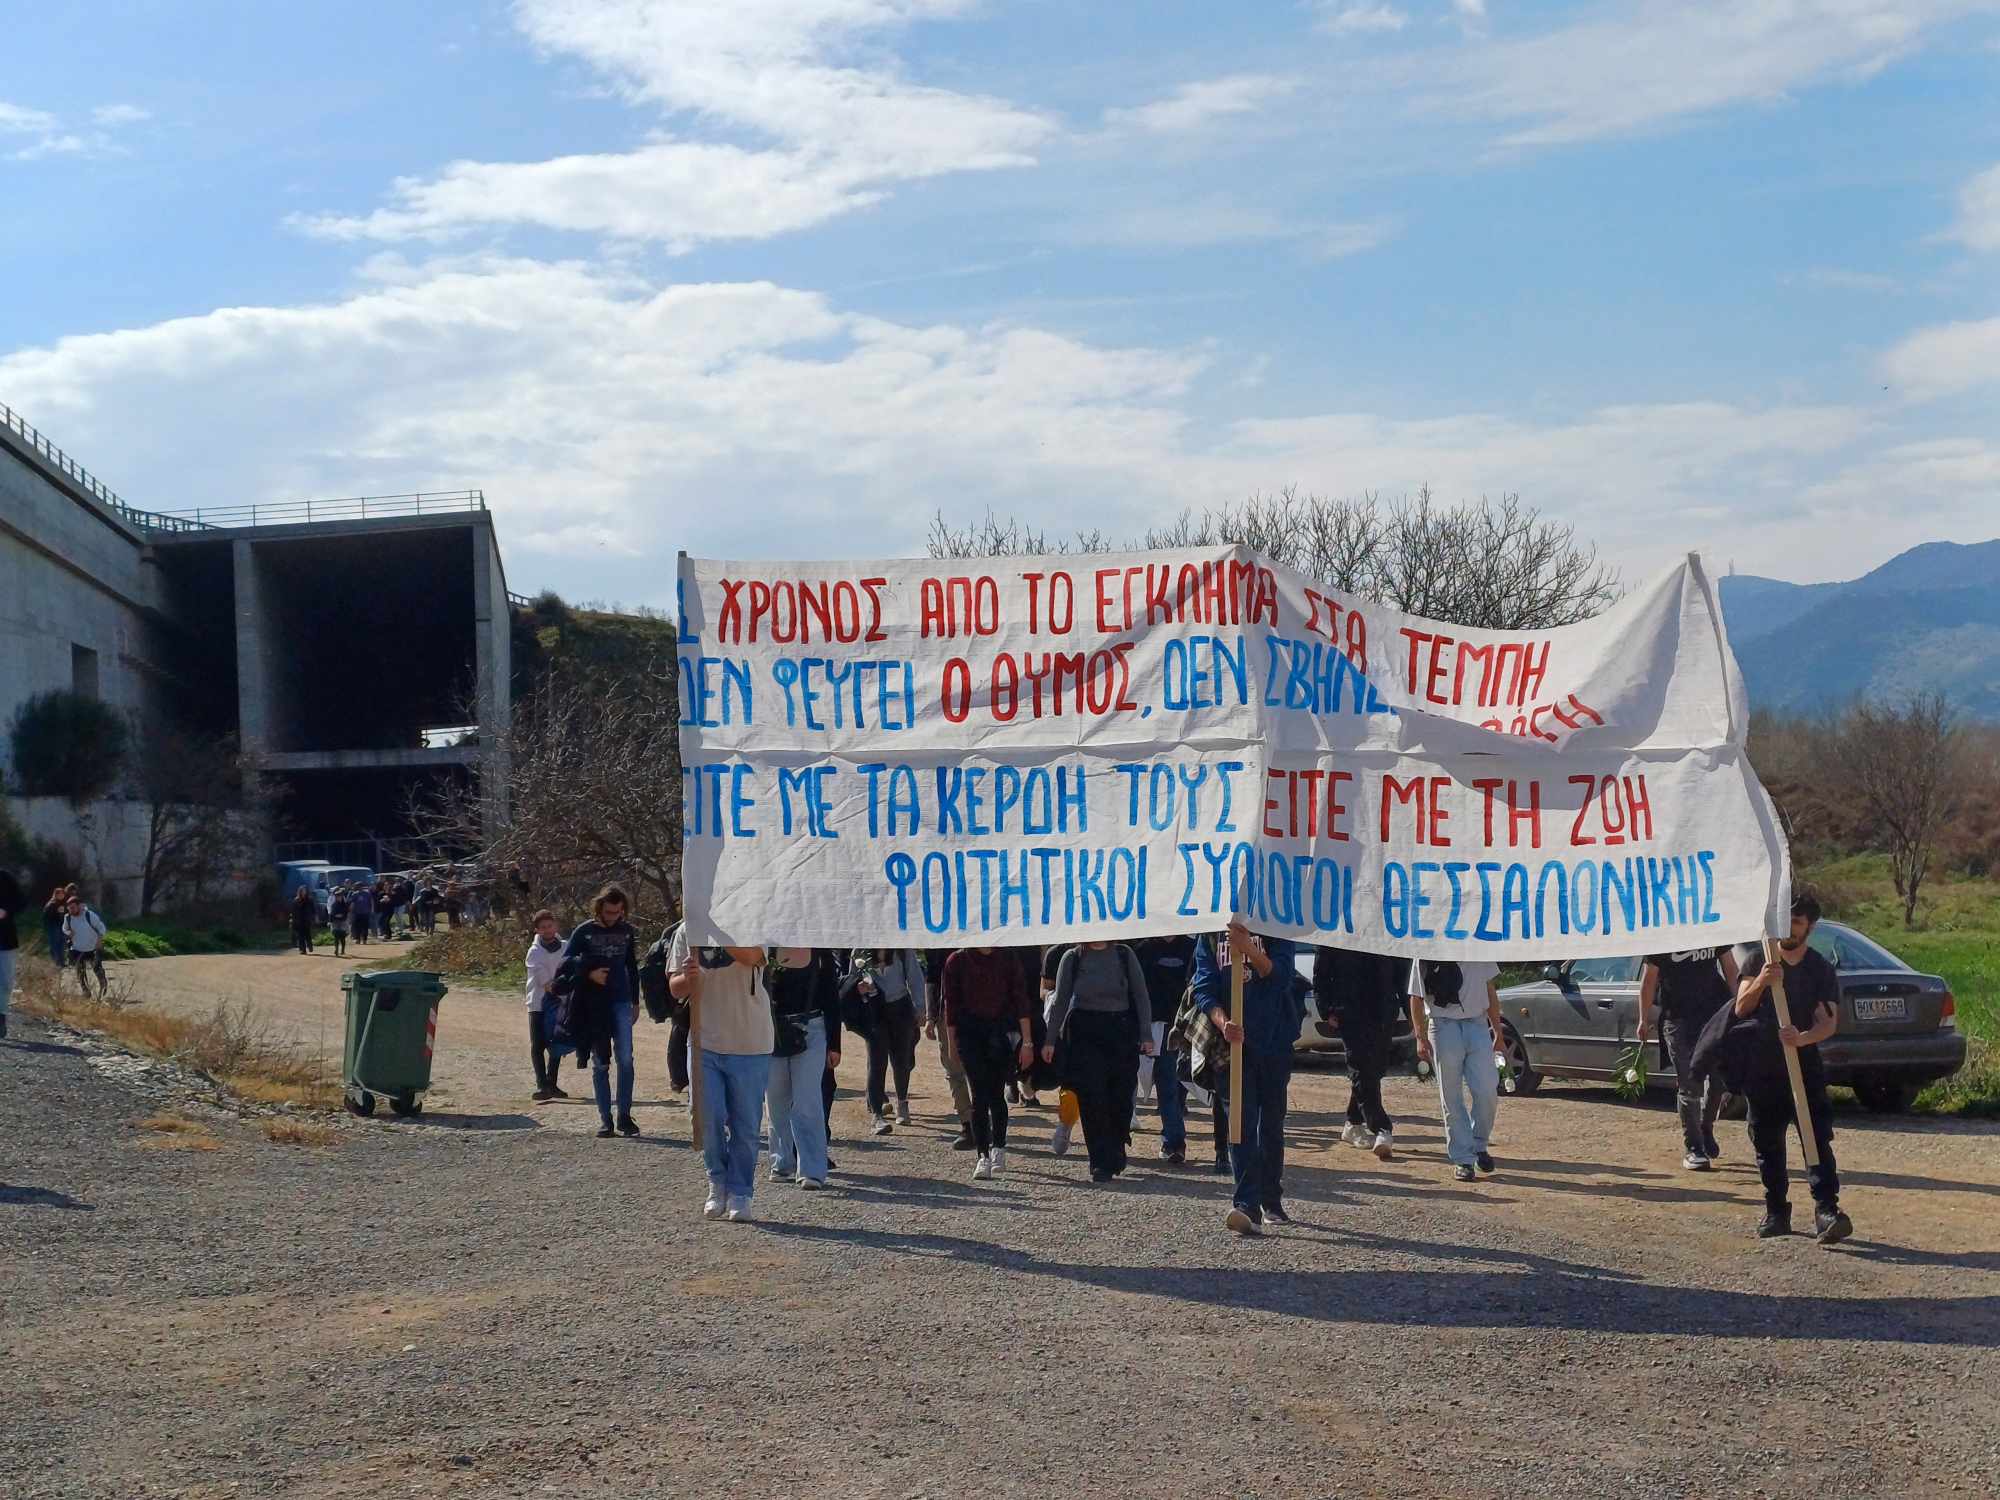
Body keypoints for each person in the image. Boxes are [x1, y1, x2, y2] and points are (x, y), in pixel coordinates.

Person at [1702, 893, 1851, 1245]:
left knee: (1816, 1138)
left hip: (1804, 1064)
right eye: (1785, 921)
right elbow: (1740, 1006)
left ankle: (1826, 1210)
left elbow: (1828, 1022)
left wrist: (1802, 1039)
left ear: (1809, 928)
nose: (1789, 929)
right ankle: (1776, 1211)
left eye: (1797, 923)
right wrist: (1762, 981)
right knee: (1766, 1141)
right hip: (1762, 1065)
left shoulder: (1818, 968)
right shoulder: (1759, 960)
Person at [1192, 921, 1301, 1234]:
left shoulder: (1278, 926)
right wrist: (1223, 1022)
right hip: (1233, 1048)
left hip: (1274, 1039)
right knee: (1239, 1122)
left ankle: (1271, 1201)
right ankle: (1246, 1203)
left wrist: (1249, 947)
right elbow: (1204, 988)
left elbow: (1281, 977)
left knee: (1271, 1123)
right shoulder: (1210, 935)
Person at [668, 930, 773, 1221]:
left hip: (750, 1042)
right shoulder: (687, 930)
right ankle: (716, 1182)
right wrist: (687, 978)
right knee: (706, 1116)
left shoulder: (751, 921)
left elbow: (753, 956)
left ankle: (740, 1192)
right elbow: (675, 987)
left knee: (746, 1125)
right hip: (705, 1041)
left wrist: (715, 929)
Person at [1045, 940, 1154, 1183]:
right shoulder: (1072, 957)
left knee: (1121, 1094)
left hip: (1121, 1030)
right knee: (1092, 1097)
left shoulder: (1124, 954)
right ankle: (1099, 1160)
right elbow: (1060, 1001)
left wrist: (1146, 1035)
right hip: (1085, 1032)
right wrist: (1050, 1040)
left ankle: (1117, 1146)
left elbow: (1141, 995)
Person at [1637, 945, 1739, 1170]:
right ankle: (1694, 1147)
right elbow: (1648, 980)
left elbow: (1731, 969)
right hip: (1678, 1019)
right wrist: (1643, 1018)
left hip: (1714, 1015)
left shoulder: (1712, 932)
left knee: (1718, 1080)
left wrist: (1741, 1007)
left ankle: (1706, 1126)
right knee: (1689, 1082)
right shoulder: (1662, 939)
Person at [941, 945, 1035, 1180]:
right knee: (979, 1096)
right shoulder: (957, 961)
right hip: (969, 1035)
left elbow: (1021, 1000)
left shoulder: (1009, 957)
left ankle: (999, 1148)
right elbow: (950, 1007)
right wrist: (953, 1045)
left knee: (996, 1094)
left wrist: (1027, 1042)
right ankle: (982, 1155)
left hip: (1001, 1034)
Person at [1408, 957, 1505, 1183]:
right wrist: (1420, 1037)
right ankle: (1463, 1158)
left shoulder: (1478, 947)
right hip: (1443, 1025)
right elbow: (1416, 995)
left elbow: (1489, 989)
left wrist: (1498, 1032)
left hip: (1477, 1024)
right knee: (1451, 1097)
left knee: (1487, 1091)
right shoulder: (1425, 952)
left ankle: (1479, 1144)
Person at [561, 885, 641, 1138]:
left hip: (621, 1000)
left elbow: (632, 966)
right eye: (608, 912)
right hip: (594, 1005)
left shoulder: (627, 931)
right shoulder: (584, 932)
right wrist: (588, 972)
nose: (612, 916)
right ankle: (605, 1119)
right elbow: (566, 963)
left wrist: (636, 1001)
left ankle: (624, 1116)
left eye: (617, 912)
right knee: (600, 1062)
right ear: (599, 908)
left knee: (626, 1059)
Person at [1316, 946, 1403, 1160]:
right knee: (1361, 1069)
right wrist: (1326, 1008)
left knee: (1375, 1069)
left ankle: (1353, 1122)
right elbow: (1322, 970)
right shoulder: (1337, 923)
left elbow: (1401, 967)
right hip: (1349, 1010)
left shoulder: (1387, 924)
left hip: (1383, 1009)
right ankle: (1382, 1129)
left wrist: (1410, 1009)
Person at [765, 946, 841, 1190]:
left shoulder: (821, 953)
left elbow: (832, 998)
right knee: (776, 1100)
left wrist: (835, 1044)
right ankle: (781, 1162)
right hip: (772, 1030)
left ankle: (812, 1169)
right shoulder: (766, 949)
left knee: (807, 1100)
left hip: (813, 1029)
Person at [845, 948, 925, 1132]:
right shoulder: (860, 951)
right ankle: (877, 1114)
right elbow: (851, 979)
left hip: (900, 1008)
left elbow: (915, 978)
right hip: (874, 1010)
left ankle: (902, 1102)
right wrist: (859, 988)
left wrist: (920, 1007)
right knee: (876, 1061)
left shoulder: (902, 951)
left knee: (901, 1060)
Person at [1134, 935, 1195, 1163]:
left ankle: (1174, 1141)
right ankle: (1172, 1141)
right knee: (1163, 1082)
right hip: (1151, 1026)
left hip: (1183, 1026)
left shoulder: (1191, 948)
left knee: (1176, 1084)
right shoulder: (1142, 949)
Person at [923, 947, 975, 1149]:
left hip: (980, 1009)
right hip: (948, 1011)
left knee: (980, 1070)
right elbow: (932, 974)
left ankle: (982, 1120)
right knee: (954, 1070)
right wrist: (931, 1015)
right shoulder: (939, 937)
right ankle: (967, 1123)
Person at [524, 909, 568, 1102]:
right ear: (537, 930)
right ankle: (542, 1084)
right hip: (538, 1003)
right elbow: (544, 981)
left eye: (549, 926)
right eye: (542, 927)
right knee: (538, 1045)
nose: (547, 930)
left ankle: (552, 1083)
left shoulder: (566, 947)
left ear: (555, 926)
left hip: (560, 1002)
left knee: (556, 1042)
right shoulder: (534, 952)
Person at [62, 894, 109, 998]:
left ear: (79, 906)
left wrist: (99, 941)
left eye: (73, 908)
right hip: (77, 949)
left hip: (92, 948)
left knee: (97, 968)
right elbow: (64, 929)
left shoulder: (89, 915)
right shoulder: (68, 917)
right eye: (69, 908)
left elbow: (102, 928)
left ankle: (103, 985)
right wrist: (69, 933)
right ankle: (86, 991)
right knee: (80, 972)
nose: (71, 910)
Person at [0, 863, 23, 1039]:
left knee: (6, 982)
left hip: (5, 939)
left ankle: (1, 1016)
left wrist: (6, 911)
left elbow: (21, 902)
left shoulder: (6, 878)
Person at [43, 886, 69, 970]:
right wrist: (56, 912)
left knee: (62, 944)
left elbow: (66, 914)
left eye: (63, 894)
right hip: (54, 926)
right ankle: (56, 962)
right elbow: (47, 916)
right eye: (60, 894)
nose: (61, 895)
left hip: (62, 926)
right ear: (56, 894)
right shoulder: (51, 904)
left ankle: (62, 962)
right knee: (55, 944)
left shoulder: (64, 903)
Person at [289, 884, 317, 955]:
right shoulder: (296, 900)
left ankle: (310, 945)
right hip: (299, 920)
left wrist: (314, 917)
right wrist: (292, 920)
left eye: (305, 891)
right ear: (300, 892)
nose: (304, 892)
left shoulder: (309, 900)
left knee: (307, 934)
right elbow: (293, 911)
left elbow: (313, 910)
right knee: (300, 936)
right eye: (303, 891)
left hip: (307, 920)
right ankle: (302, 949)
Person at [327, 885, 350, 958]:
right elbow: (331, 913)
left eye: (339, 896)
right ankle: (336, 950)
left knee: (342, 937)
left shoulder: (344, 904)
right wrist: (330, 921)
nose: (338, 898)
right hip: (335, 922)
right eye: (337, 896)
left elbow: (346, 912)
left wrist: (342, 916)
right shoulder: (334, 905)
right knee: (336, 937)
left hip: (342, 921)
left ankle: (342, 950)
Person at [348, 883, 373, 947]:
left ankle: (364, 939)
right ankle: (358, 939)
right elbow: (351, 902)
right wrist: (351, 910)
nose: (359, 888)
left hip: (365, 912)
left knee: (365, 927)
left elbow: (371, 902)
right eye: (358, 887)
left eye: (360, 886)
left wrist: (371, 910)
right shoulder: (355, 894)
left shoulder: (367, 894)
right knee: (357, 927)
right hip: (357, 913)